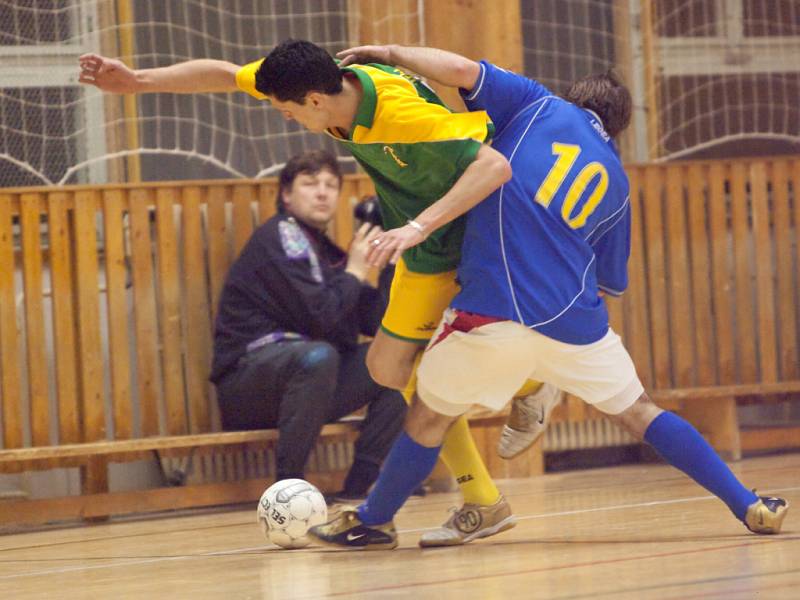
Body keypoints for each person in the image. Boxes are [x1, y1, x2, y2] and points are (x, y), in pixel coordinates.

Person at [308, 44, 789, 549]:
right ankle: (748, 502)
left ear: (574, 98)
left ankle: (375, 518)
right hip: (575, 321)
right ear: (617, 128)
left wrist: (388, 52)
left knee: (429, 414)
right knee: (642, 411)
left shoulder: (539, 105)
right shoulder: (619, 183)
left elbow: (458, 71)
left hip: (494, 310)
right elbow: (608, 282)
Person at [79, 39, 531, 545]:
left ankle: (529, 393)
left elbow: (494, 165)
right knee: (387, 368)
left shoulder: (400, 114)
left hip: (474, 232)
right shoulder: (319, 84)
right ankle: (474, 496)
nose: (284, 118)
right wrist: (137, 81)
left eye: (286, 111)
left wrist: (417, 227)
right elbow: (227, 73)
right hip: (415, 256)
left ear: (315, 100)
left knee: (464, 365)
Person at [209, 150, 405, 500]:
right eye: (310, 183)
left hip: (310, 385)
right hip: (248, 384)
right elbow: (321, 317)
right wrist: (355, 273)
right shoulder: (282, 236)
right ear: (286, 195)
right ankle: (289, 490)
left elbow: (376, 323)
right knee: (318, 356)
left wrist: (391, 261)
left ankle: (360, 487)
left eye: (331, 185)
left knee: (398, 362)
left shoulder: (327, 253)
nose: (322, 192)